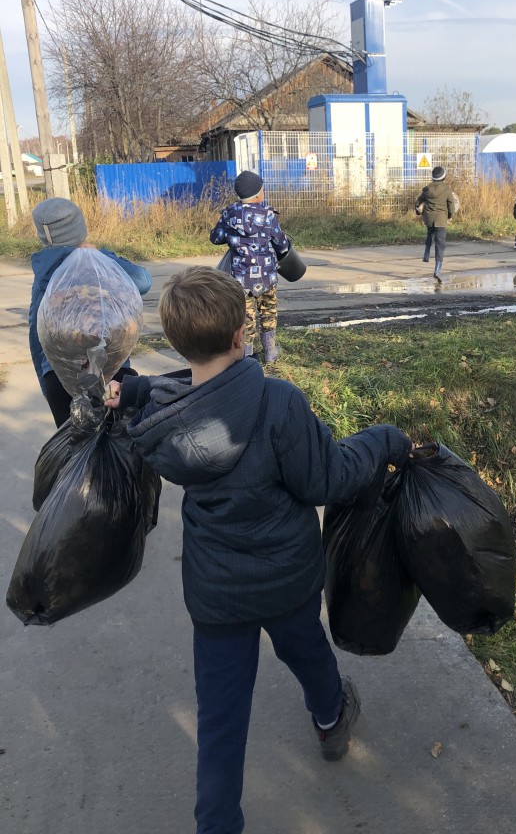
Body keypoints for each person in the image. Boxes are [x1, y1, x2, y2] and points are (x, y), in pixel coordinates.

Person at [104, 267, 412, 834]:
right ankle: (330, 720)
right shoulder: (278, 402)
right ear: (240, 333)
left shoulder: (159, 423)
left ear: (177, 344)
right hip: (287, 579)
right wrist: (383, 440)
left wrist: (137, 391)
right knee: (307, 650)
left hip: (216, 593)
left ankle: (216, 824)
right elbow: (328, 479)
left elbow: (185, 393)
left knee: (220, 720)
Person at [29, 197, 152, 427]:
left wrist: (46, 381)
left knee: (74, 442)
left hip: (60, 377)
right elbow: (143, 281)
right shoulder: (99, 264)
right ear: (80, 228)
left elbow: (36, 334)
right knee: (119, 440)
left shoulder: (44, 274)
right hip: (113, 372)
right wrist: (105, 255)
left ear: (43, 236)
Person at [210, 170, 289, 365]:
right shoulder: (268, 215)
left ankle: (246, 359)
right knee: (268, 312)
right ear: (258, 193)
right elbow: (282, 245)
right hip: (267, 278)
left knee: (246, 318)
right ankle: (270, 353)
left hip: (241, 280)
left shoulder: (229, 214)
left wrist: (231, 237)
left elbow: (215, 238)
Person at [415, 165, 457, 283]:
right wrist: (450, 216)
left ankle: (426, 254)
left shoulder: (427, 189)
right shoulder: (447, 190)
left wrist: (418, 212)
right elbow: (451, 205)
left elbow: (418, 202)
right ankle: (437, 270)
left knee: (430, 232)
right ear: (444, 177)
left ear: (433, 177)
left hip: (428, 218)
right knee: (440, 244)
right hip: (441, 219)